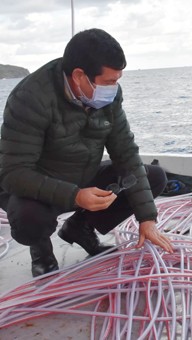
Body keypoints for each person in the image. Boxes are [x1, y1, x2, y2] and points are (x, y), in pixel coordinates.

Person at [0, 28, 174, 278]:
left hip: (83, 173)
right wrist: (76, 196)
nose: (114, 88)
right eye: (108, 82)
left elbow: (125, 152)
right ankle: (41, 251)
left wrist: (147, 218)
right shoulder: (29, 98)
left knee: (154, 176)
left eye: (117, 80)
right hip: (38, 185)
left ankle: (78, 228)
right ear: (79, 75)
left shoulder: (109, 97)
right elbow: (13, 173)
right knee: (29, 219)